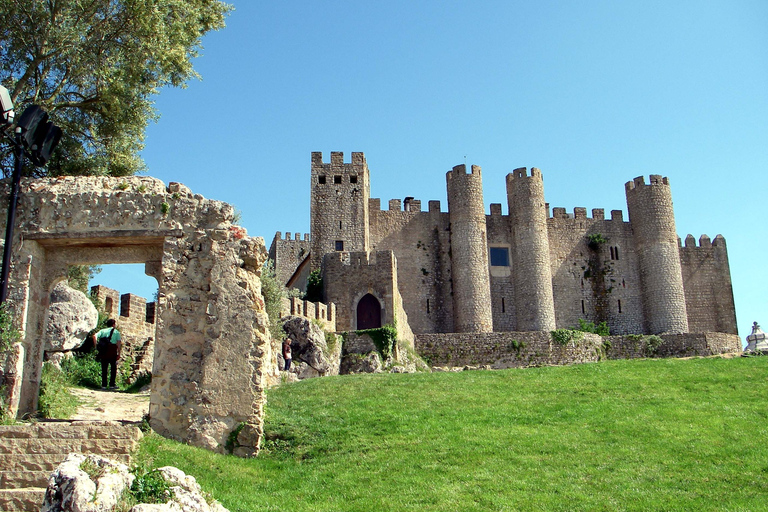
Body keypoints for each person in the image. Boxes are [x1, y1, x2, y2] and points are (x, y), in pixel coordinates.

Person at [94, 319, 122, 390]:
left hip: (104, 351)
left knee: (104, 368)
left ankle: (104, 385)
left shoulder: (102, 331)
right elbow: (118, 343)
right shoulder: (116, 332)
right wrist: (119, 353)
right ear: (113, 325)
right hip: (112, 351)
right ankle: (112, 385)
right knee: (113, 368)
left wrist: (96, 346)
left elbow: (94, 336)